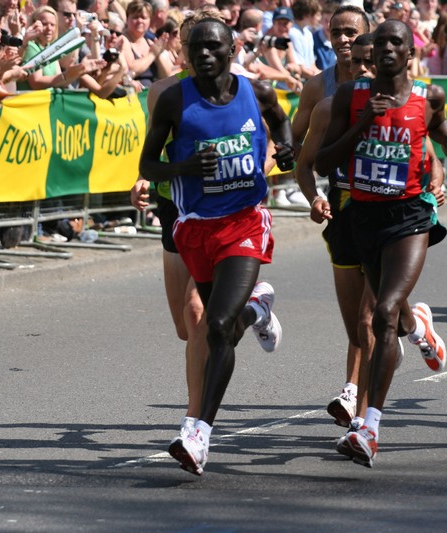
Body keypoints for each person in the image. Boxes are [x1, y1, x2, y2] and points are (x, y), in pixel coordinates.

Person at [139, 18, 294, 475]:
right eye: (197, 49)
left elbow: (282, 124)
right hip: (195, 228)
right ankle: (259, 308)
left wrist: (285, 150)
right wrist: (185, 166)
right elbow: (149, 165)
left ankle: (197, 433)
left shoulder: (255, 93)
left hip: (245, 221)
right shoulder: (172, 100)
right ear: (186, 54)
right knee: (214, 330)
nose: (204, 55)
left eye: (214, 47)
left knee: (218, 323)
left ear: (231, 50)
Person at [316, 19, 447, 467]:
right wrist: (363, 123)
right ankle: (417, 326)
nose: (386, 49)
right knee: (392, 315)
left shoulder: (427, 95)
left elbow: (437, 130)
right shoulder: (350, 96)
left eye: (395, 41)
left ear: (409, 51)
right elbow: (324, 161)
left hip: (410, 216)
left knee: (379, 315)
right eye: (380, 42)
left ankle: (370, 429)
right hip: (362, 216)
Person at [130, 5, 219, 452]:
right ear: (179, 47)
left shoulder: (233, 90)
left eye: (206, 43)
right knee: (187, 329)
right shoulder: (162, 91)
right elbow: (154, 148)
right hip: (174, 210)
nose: (195, 51)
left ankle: (194, 421)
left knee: (197, 312)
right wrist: (146, 177)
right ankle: (254, 305)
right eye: (189, 44)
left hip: (219, 211)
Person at [291, 5, 369, 427]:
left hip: (390, 210)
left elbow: (426, 151)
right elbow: (298, 150)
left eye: (352, 33)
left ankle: (354, 395)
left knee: (370, 315)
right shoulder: (318, 90)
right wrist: (312, 197)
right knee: (361, 314)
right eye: (337, 32)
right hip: (341, 206)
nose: (344, 40)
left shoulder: (400, 91)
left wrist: (431, 182)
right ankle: (417, 325)